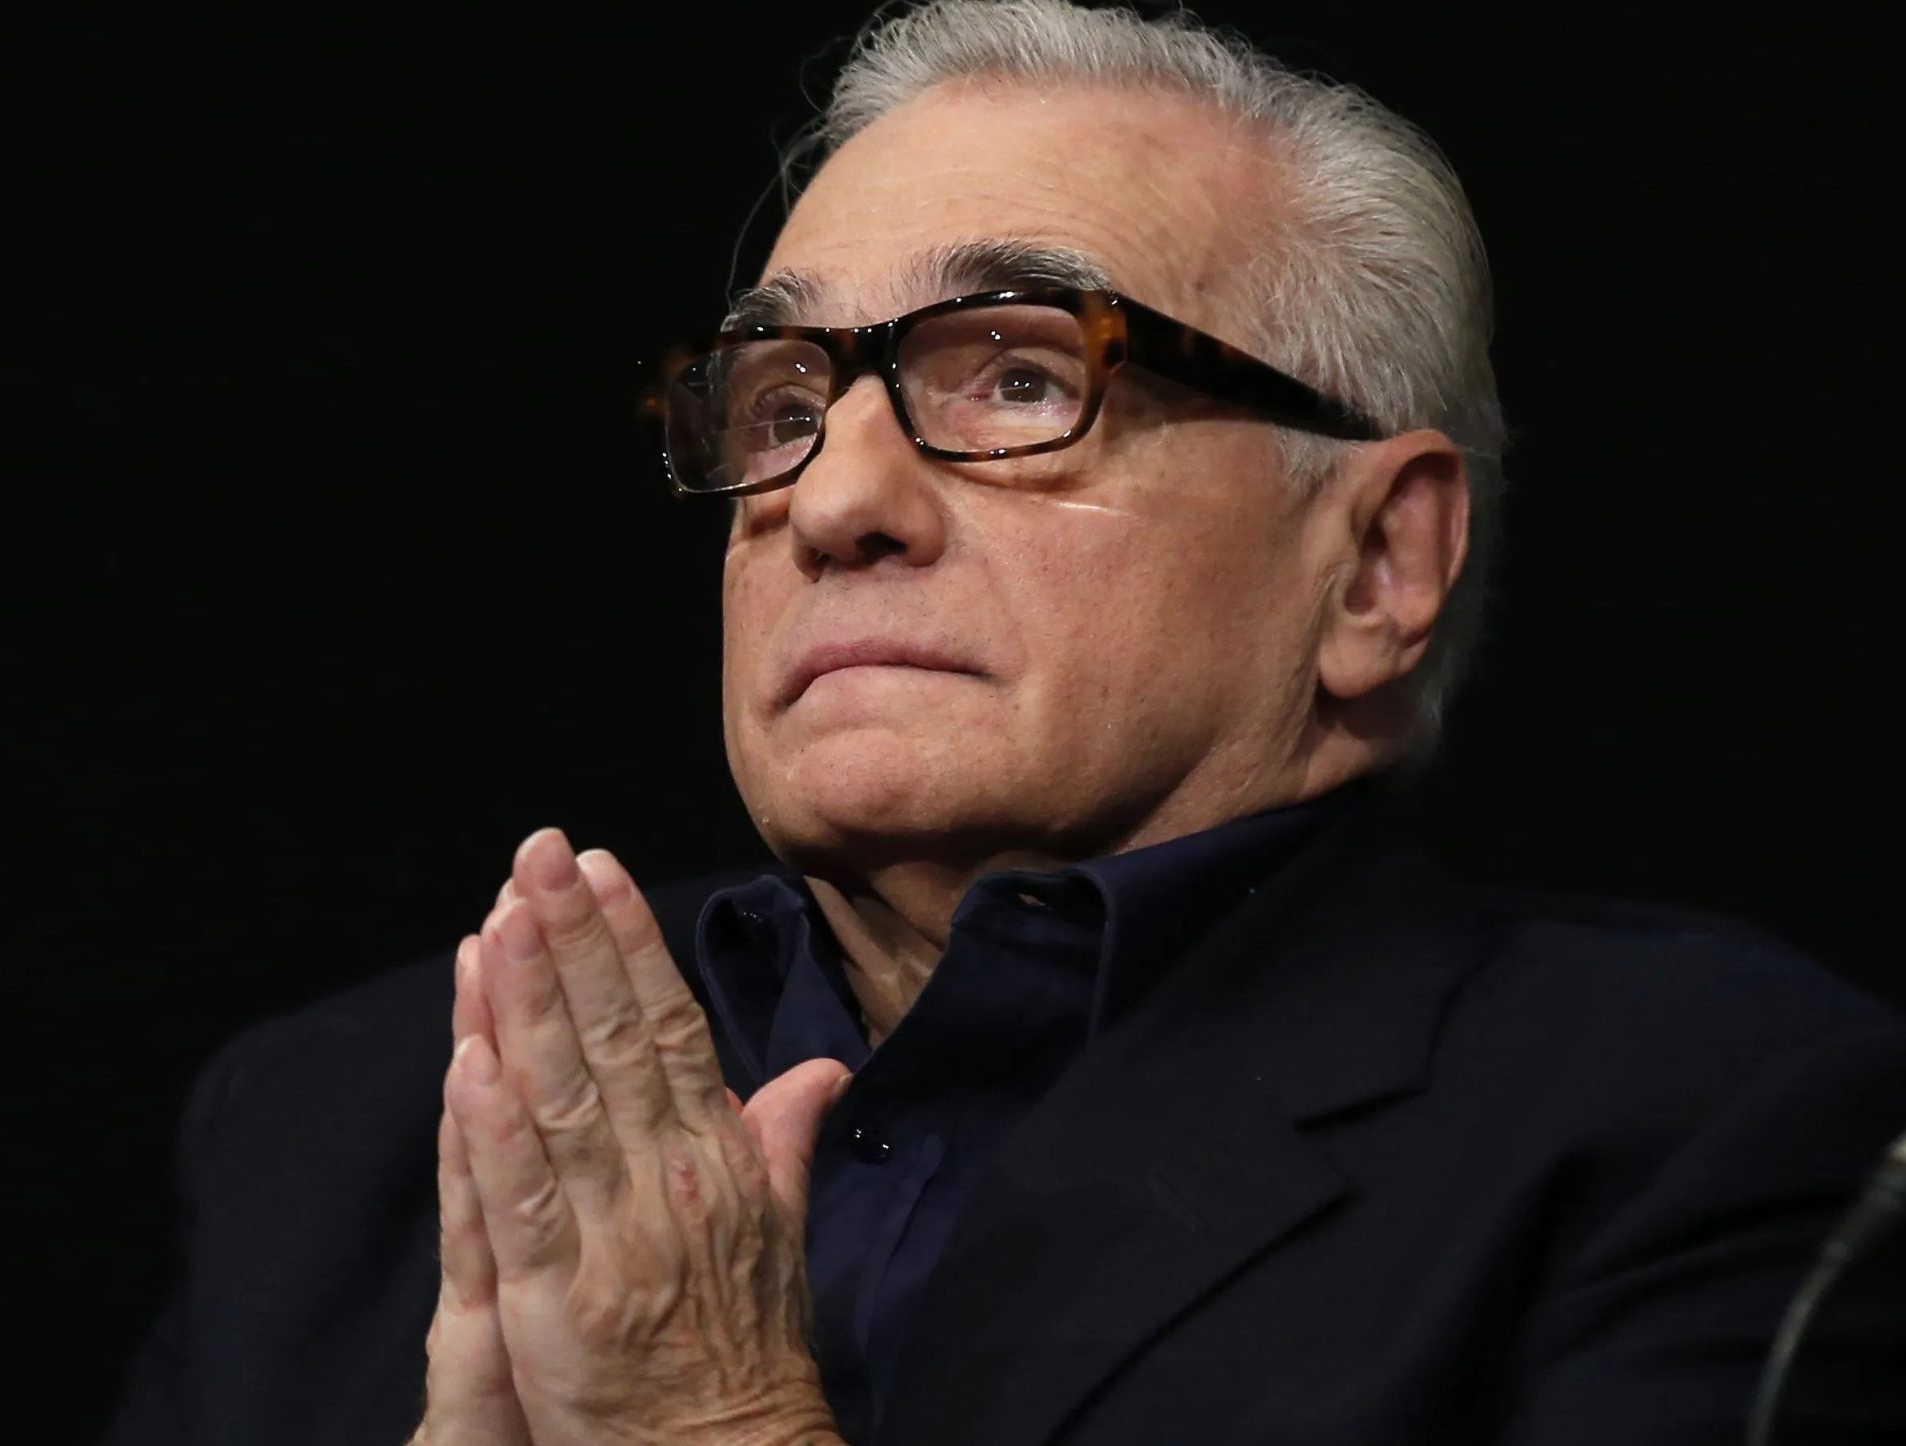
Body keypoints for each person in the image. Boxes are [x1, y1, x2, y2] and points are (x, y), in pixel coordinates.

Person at [104, 3, 1906, 1442]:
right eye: (783, 404)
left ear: (1376, 562)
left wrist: (713, 1423)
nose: (832, 501)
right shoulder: (338, 1126)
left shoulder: (1707, 1123)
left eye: (1022, 377)